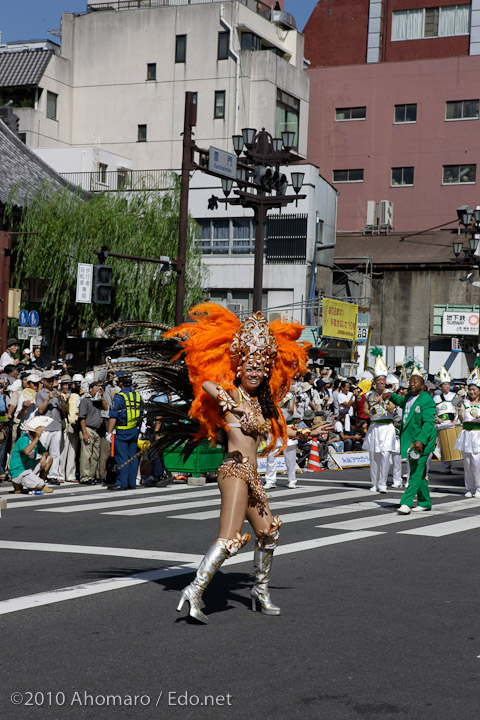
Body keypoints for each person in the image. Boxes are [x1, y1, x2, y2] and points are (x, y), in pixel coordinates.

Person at [164, 303, 312, 623]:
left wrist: (305, 430)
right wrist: (227, 400)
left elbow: (270, 430)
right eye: (249, 366)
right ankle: (195, 589)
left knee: (268, 533)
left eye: (260, 367)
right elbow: (206, 384)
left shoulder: (261, 403)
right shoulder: (232, 392)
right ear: (239, 367)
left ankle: (259, 591)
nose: (255, 372)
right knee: (230, 538)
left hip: (253, 476)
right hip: (234, 471)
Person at [384, 367, 437, 514]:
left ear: (422, 385)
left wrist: (420, 440)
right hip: (410, 439)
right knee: (418, 472)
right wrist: (391, 396)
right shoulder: (409, 396)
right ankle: (425, 502)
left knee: (414, 473)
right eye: (410, 382)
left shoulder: (427, 400)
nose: (412, 384)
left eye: (415, 382)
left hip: (422, 441)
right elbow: (402, 402)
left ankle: (406, 503)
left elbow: (428, 424)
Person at [363, 356, 399, 493]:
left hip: (387, 427)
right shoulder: (369, 395)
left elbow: (391, 409)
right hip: (374, 427)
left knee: (385, 454)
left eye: (384, 381)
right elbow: (366, 411)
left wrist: (383, 401)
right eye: (380, 381)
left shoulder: (390, 394)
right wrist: (373, 408)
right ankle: (374, 482)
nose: (382, 383)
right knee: (373, 455)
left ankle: (383, 483)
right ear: (375, 382)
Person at [107, 373, 141, 490]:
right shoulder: (137, 395)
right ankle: (132, 482)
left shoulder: (119, 397)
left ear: (120, 383)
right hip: (134, 430)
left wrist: (109, 432)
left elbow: (113, 416)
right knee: (133, 457)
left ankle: (122, 483)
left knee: (122, 458)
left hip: (121, 431)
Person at [35, 370, 68, 485]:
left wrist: (62, 399)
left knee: (55, 452)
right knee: (41, 452)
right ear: (43, 381)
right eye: (48, 380)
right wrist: (48, 399)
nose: (51, 382)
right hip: (44, 427)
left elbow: (64, 410)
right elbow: (40, 410)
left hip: (56, 426)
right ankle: (38, 473)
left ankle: (53, 475)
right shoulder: (39, 394)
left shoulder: (57, 393)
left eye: (52, 380)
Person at [453, 366, 480, 498]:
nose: (471, 392)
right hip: (467, 433)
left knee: (477, 461)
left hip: (478, 434)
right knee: (467, 462)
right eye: (470, 389)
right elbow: (462, 419)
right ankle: (469, 487)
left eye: (474, 389)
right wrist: (459, 408)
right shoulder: (465, 402)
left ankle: (479, 487)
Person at [10, 419, 53, 494]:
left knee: (49, 459)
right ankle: (21, 483)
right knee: (40, 485)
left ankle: (37, 482)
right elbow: (27, 451)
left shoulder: (34, 440)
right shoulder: (24, 439)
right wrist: (37, 437)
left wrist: (43, 456)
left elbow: (45, 451)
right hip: (20, 470)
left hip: (29, 467)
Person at [78, 380, 107, 485]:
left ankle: (91, 475)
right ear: (91, 389)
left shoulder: (98, 401)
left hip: (97, 430)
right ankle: (85, 477)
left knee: (95, 455)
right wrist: (84, 433)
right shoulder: (85, 400)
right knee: (86, 454)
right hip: (88, 429)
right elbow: (82, 418)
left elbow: (106, 407)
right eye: (96, 388)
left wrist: (102, 396)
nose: (98, 391)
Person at [433, 366, 460, 474]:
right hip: (441, 423)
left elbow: (459, 410)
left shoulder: (454, 395)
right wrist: (436, 419)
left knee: (451, 444)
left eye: (448, 384)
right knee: (443, 444)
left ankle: (450, 465)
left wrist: (455, 420)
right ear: (440, 386)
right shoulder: (435, 398)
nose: (447, 386)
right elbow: (433, 411)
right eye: (445, 384)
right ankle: (446, 466)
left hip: (452, 421)